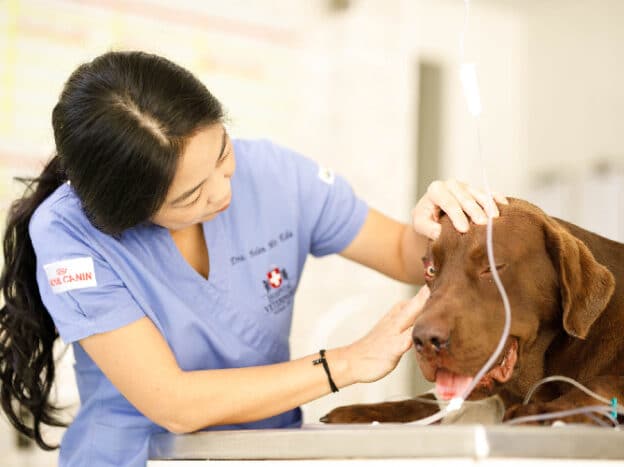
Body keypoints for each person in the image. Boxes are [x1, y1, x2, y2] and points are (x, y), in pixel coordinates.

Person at [0, 51, 504, 466]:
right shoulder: (70, 232)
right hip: (133, 457)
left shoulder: (276, 175)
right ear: (125, 212)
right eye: (190, 196)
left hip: (264, 452)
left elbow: (401, 253)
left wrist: (437, 227)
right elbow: (173, 404)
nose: (223, 192)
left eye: (222, 153)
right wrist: (348, 362)